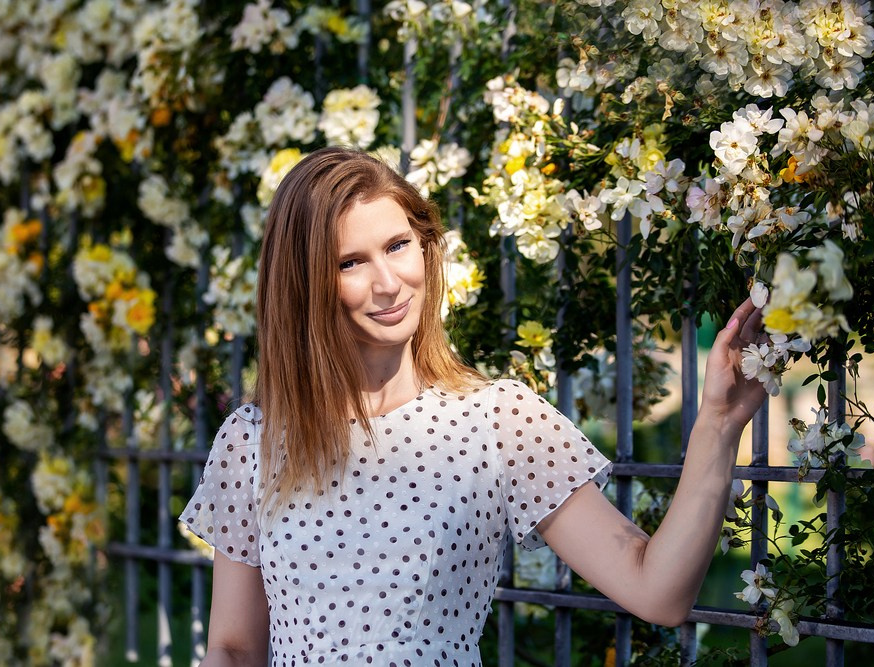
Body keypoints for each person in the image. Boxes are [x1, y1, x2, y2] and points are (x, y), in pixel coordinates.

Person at [180, 146, 767, 667]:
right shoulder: (251, 440)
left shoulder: (498, 420)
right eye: (349, 262)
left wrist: (718, 425)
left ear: (424, 247)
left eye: (397, 246)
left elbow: (657, 592)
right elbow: (234, 649)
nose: (388, 282)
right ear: (303, 283)